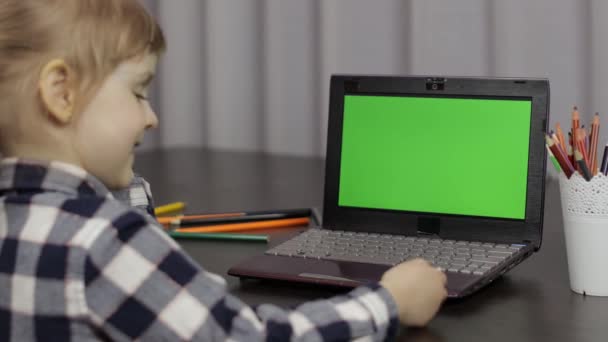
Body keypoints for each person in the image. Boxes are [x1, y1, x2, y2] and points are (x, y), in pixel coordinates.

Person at [0, 0, 447, 340]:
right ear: (61, 93)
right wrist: (389, 302)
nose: (151, 117)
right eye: (138, 93)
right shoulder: (102, 243)